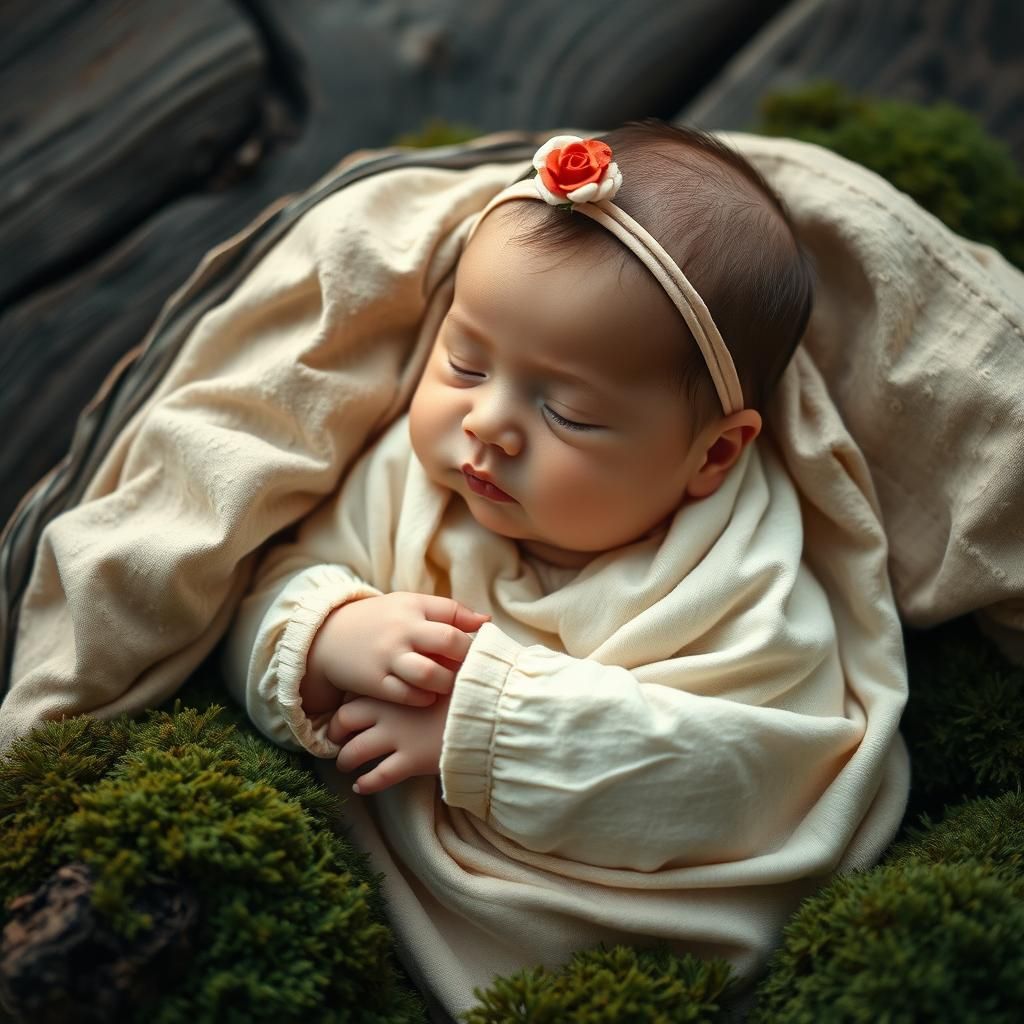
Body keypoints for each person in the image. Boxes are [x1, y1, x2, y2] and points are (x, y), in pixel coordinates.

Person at [223, 120, 907, 1015]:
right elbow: (251, 598)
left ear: (711, 456)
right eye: (464, 361)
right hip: (380, 884)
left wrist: (490, 733)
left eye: (569, 413)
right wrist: (328, 632)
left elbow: (757, 776)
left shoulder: (746, 577)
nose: (487, 424)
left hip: (625, 945)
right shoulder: (413, 479)